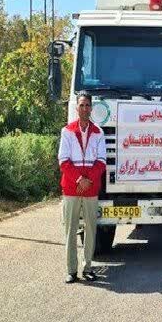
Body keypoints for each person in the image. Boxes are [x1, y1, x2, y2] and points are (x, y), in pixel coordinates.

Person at [58, 93, 107, 283]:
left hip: (91, 189)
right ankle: (71, 270)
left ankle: (88, 267)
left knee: (91, 230)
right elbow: (63, 161)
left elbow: (101, 162)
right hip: (71, 188)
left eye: (87, 105)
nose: (85, 108)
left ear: (91, 108)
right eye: (81, 105)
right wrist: (79, 179)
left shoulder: (98, 133)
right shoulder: (67, 131)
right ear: (76, 108)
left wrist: (87, 181)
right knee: (70, 230)